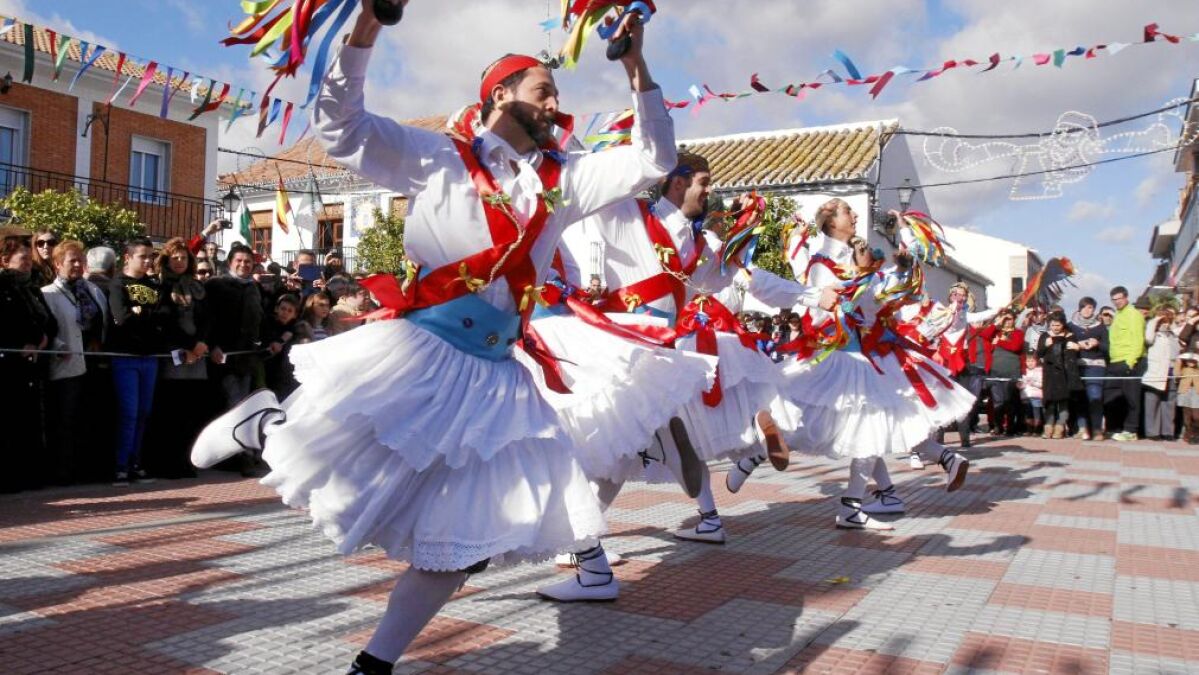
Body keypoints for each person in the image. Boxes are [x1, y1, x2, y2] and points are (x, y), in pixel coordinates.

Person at [190, 2, 677, 670]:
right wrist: (368, 26)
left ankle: (372, 664)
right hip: (421, 351)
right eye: (543, 89)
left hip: (497, 375)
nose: (555, 103)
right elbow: (341, 127)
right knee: (335, 468)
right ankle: (264, 427)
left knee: (466, 542)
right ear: (500, 94)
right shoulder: (437, 157)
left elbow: (654, 158)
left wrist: (635, 65)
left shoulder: (563, 181)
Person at [752, 201, 972, 530]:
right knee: (831, 421)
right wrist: (861, 285)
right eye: (847, 212)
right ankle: (756, 456)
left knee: (871, 425)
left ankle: (879, 495)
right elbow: (828, 311)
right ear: (830, 222)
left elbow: (882, 299)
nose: (855, 216)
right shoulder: (823, 263)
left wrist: (901, 265)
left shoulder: (855, 259)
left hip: (862, 357)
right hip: (838, 357)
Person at [41, 240, 108, 485]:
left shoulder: (93, 291)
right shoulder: (48, 294)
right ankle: (63, 472)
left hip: (94, 364)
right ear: (58, 264)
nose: (78, 265)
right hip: (66, 365)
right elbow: (47, 328)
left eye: (81, 260)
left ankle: (86, 469)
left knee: (89, 418)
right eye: (73, 261)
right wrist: (59, 347)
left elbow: (103, 323)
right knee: (65, 420)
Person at [106, 237, 168, 486]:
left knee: (144, 412)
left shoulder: (154, 285)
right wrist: (143, 317)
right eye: (142, 256)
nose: (148, 261)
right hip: (125, 357)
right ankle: (120, 466)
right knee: (128, 412)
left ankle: (135, 463)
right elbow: (121, 318)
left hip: (150, 357)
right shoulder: (118, 284)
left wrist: (141, 313)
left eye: (151, 256)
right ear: (128, 257)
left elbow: (164, 316)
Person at [203, 242, 266, 475]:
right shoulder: (216, 285)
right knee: (233, 407)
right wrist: (212, 346)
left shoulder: (254, 288)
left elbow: (260, 320)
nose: (243, 264)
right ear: (230, 262)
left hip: (247, 359)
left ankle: (243, 454)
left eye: (248, 261)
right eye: (239, 260)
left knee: (244, 407)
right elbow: (207, 319)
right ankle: (238, 457)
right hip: (223, 359)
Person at [0, 239, 57, 492]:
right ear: (5, 261)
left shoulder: (32, 289)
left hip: (35, 362)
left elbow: (49, 322)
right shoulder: (3, 287)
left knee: (29, 420)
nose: (28, 264)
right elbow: (8, 322)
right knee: (10, 420)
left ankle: (29, 473)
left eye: (28, 259)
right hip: (9, 363)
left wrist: (42, 339)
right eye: (22, 259)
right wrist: (22, 343)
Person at [150, 238, 210, 478]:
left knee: (191, 411)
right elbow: (164, 321)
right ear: (166, 260)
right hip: (173, 356)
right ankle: (169, 463)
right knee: (171, 412)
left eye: (183, 257)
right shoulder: (160, 286)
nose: (179, 261)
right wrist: (189, 345)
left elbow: (206, 318)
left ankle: (187, 461)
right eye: (174, 257)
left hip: (198, 356)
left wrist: (201, 342)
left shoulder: (197, 286)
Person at [919, 282, 998, 450]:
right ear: (951, 296)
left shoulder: (965, 315)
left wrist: (998, 310)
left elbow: (980, 316)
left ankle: (965, 437)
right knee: (941, 400)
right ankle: (939, 437)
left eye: (963, 295)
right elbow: (932, 326)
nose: (960, 297)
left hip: (961, 363)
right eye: (957, 294)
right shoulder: (941, 311)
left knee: (962, 400)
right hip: (944, 362)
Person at [1105, 286, 1147, 441]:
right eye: (1114, 300)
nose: (1117, 302)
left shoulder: (1134, 315)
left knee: (1132, 398)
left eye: (1119, 298)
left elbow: (1138, 340)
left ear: (1126, 297)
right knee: (1113, 397)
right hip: (1115, 361)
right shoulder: (1117, 315)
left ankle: (1131, 430)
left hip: (1130, 361)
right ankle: (1116, 427)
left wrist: (1131, 362)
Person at [1036, 312, 1082, 439]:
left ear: (1063, 324)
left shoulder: (1070, 336)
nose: (1055, 328)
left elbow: (1074, 355)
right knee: (1049, 402)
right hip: (1049, 373)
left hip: (1065, 374)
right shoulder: (1045, 336)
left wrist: (1077, 347)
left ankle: (1060, 427)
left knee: (1063, 402)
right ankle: (1048, 427)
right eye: (1053, 325)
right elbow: (1038, 354)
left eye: (1058, 325)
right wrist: (1045, 346)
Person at [1069, 297, 1108, 440]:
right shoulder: (1071, 326)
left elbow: (1108, 348)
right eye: (1084, 307)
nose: (1087, 310)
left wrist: (1097, 343)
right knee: (1080, 397)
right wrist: (1076, 345)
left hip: (1096, 366)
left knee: (1095, 396)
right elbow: (1066, 344)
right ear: (1079, 308)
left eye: (1090, 307)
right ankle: (1082, 428)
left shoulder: (1100, 327)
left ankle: (1097, 429)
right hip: (1078, 366)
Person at [981, 311, 1024, 436]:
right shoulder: (997, 332)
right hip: (996, 371)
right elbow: (984, 334)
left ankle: (1010, 427)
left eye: (1010, 319)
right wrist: (997, 323)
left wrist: (999, 342)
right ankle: (998, 426)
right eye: (1005, 319)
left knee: (1009, 400)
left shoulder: (1018, 333)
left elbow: (1015, 347)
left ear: (1014, 320)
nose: (1007, 322)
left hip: (1011, 371)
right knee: (997, 400)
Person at [1143, 305, 1180, 441]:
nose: (1166, 320)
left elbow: (1181, 337)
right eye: (1163, 317)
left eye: (1168, 317)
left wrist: (1172, 323)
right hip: (1156, 372)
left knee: (1169, 402)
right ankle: (1152, 432)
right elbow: (1148, 338)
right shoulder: (1154, 333)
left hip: (1171, 371)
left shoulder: (1174, 334)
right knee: (1152, 402)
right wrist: (1156, 320)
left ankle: (1168, 432)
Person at [263, 293, 303, 398]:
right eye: (283, 309)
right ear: (276, 309)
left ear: (294, 315)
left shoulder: (296, 330)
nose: (285, 313)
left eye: (290, 311)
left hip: (284, 378)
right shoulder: (266, 324)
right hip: (267, 375)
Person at [1020, 352, 1044, 436]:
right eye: (1028, 361)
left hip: (1036, 395)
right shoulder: (1024, 372)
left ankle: (1037, 429)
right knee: (1028, 413)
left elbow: (1041, 384)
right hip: (1026, 395)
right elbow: (1022, 384)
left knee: (1036, 412)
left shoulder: (1039, 371)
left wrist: (1033, 383)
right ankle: (1029, 429)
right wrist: (1020, 385)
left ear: (1036, 361)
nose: (1030, 363)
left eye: (1032, 361)